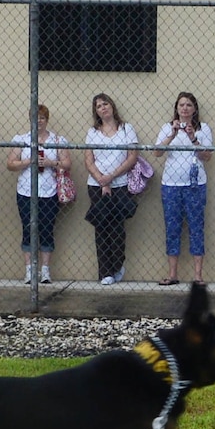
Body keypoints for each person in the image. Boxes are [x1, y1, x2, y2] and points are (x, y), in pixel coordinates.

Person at [154, 91, 213, 285]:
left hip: (195, 184)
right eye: (181, 105)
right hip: (171, 184)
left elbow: (207, 156)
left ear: (194, 108)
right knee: (172, 228)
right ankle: (172, 274)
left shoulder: (203, 128)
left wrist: (193, 137)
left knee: (196, 227)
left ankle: (198, 275)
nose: (185, 108)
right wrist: (172, 134)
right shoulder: (167, 128)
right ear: (176, 109)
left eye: (188, 105)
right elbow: (157, 153)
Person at [8, 103, 71, 285]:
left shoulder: (57, 140)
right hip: (25, 191)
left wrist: (51, 162)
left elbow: (67, 163)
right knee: (28, 229)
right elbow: (10, 163)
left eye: (42, 118)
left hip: (48, 192)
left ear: (47, 120)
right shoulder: (22, 139)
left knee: (46, 229)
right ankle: (29, 271)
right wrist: (29, 161)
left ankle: (45, 271)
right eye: (35, 118)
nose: (39, 121)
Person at [84, 93, 140, 285]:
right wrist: (102, 180)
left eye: (105, 104)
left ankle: (117, 265)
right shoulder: (93, 132)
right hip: (97, 187)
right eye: (98, 106)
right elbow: (88, 160)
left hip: (120, 185)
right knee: (101, 228)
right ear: (96, 112)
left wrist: (112, 177)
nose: (103, 108)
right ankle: (105, 272)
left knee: (117, 229)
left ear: (112, 106)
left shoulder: (126, 129)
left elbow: (132, 157)